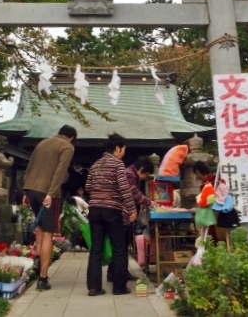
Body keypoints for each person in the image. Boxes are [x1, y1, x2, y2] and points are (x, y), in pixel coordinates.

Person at [23, 124, 77, 291]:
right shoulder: (67, 146)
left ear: (58, 132)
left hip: (31, 189)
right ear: (72, 138)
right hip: (48, 192)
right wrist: (51, 194)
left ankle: (39, 268)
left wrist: (26, 191)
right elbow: (60, 172)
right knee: (47, 234)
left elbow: (30, 166)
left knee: (39, 230)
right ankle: (43, 277)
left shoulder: (42, 143)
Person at [86, 133, 136, 296]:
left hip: (94, 210)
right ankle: (119, 287)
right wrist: (132, 209)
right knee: (119, 248)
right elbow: (124, 188)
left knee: (96, 249)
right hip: (112, 210)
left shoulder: (95, 165)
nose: (124, 153)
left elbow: (88, 187)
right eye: (123, 149)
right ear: (117, 148)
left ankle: (94, 287)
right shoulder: (117, 164)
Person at [107, 155, 157, 283]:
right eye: (146, 174)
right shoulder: (129, 174)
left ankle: (117, 272)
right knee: (122, 245)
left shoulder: (130, 173)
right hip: (124, 214)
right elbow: (134, 193)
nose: (145, 177)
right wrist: (149, 203)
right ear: (142, 169)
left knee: (122, 245)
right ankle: (119, 273)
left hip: (123, 214)